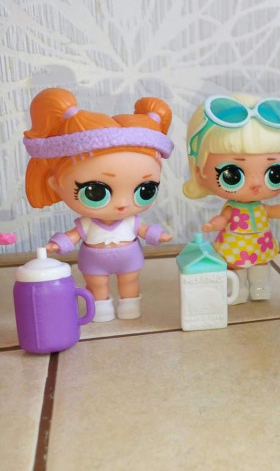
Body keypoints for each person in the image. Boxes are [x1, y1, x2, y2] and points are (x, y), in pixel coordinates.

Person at [23, 88, 173, 322]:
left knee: (130, 282)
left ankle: (130, 307)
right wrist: (58, 244)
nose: (122, 205)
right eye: (96, 192)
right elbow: (72, 236)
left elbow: (144, 230)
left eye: (145, 190)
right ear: (55, 184)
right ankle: (100, 310)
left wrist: (159, 235)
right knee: (97, 285)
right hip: (94, 261)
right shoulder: (87, 224)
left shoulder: (131, 221)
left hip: (129, 258)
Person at [183, 94, 280, 303]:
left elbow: (273, 211)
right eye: (233, 175)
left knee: (261, 264)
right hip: (236, 243)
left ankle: (260, 287)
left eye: (273, 173)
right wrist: (214, 224)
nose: (256, 184)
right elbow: (223, 218)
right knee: (236, 266)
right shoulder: (232, 208)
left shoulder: (260, 206)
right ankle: (238, 291)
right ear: (200, 172)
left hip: (259, 243)